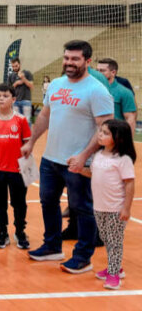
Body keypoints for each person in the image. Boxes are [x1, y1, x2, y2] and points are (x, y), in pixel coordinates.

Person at [21, 40, 113, 274]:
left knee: (82, 208)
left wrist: (84, 156)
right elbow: (45, 115)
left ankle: (83, 257)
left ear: (87, 61)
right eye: (66, 58)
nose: (69, 63)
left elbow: (105, 129)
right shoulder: (56, 85)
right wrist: (31, 141)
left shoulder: (96, 90)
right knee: (48, 202)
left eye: (75, 59)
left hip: (79, 162)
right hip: (51, 159)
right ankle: (52, 246)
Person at [86, 119, 136, 290]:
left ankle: (114, 274)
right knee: (107, 239)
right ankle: (116, 267)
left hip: (116, 209)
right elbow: (93, 174)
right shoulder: (98, 155)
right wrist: (78, 169)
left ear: (119, 138)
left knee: (115, 241)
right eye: (100, 131)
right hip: (99, 207)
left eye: (106, 133)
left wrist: (126, 208)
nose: (100, 134)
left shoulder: (123, 159)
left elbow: (129, 183)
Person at [0, 84, 31, 249]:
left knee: (19, 202)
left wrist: (25, 163)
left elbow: (27, 142)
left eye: (5, 96)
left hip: (17, 170)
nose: (1, 98)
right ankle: (2, 232)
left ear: (13, 99)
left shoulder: (21, 120)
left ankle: (20, 231)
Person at [96, 58, 137, 130]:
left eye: (102, 71)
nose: (98, 73)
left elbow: (130, 119)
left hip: (115, 134)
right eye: (97, 70)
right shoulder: (92, 89)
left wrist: (128, 140)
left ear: (113, 72)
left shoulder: (124, 92)